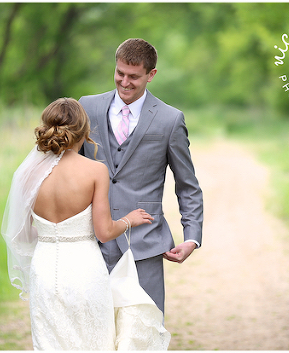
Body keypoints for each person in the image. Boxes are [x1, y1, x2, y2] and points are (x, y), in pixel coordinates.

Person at [2, 98, 170, 350]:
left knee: (50, 343)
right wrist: (128, 220)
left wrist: (52, 234)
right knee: (92, 341)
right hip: (84, 269)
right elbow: (104, 232)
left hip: (45, 270)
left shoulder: (26, 174)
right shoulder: (95, 171)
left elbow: (22, 235)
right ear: (84, 132)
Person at [78, 38, 204, 315]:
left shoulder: (169, 120)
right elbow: (66, 168)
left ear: (151, 75)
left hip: (144, 244)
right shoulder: (87, 107)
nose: (124, 82)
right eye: (120, 73)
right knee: (94, 333)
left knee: (143, 332)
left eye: (134, 77)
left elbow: (187, 186)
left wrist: (191, 237)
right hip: (89, 242)